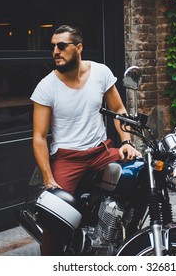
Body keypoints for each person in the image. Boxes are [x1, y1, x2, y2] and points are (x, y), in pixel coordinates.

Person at [30, 25, 141, 255]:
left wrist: (127, 142)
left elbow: (119, 110)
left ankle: (122, 236)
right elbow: (39, 137)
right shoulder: (46, 87)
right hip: (68, 158)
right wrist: (48, 179)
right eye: (53, 46)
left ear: (78, 47)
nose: (55, 51)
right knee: (55, 219)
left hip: (102, 151)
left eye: (62, 45)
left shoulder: (100, 73)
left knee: (139, 173)